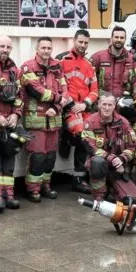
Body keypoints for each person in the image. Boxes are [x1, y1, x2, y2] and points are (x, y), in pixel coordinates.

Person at [20, 37, 69, 201]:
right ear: (37, 49)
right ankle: (33, 189)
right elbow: (36, 90)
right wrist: (57, 100)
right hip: (36, 121)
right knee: (38, 156)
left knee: (50, 157)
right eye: (43, 48)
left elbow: (65, 90)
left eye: (49, 48)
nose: (46, 51)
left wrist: (56, 107)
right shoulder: (28, 67)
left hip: (54, 120)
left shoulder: (57, 66)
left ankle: (46, 186)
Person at [57, 29, 98, 192]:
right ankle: (79, 178)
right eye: (80, 42)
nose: (83, 45)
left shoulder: (89, 65)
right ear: (74, 41)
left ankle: (80, 176)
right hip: (67, 107)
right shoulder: (61, 59)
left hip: (84, 108)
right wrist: (71, 104)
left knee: (91, 135)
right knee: (82, 135)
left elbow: (95, 90)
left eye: (86, 42)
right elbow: (57, 84)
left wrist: (86, 104)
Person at [0, 35, 23, 212]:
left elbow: (19, 96)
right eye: (2, 46)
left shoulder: (13, 69)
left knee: (9, 162)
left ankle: (9, 195)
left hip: (9, 123)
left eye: (8, 47)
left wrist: (16, 115)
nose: (5, 50)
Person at [81, 95, 136, 202]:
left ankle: (112, 187)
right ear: (98, 105)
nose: (107, 108)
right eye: (104, 104)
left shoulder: (124, 123)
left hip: (118, 165)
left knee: (129, 199)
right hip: (101, 163)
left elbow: (133, 147)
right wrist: (110, 158)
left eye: (110, 105)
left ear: (114, 106)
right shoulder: (90, 122)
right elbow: (91, 147)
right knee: (97, 162)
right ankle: (100, 194)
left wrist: (122, 158)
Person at [90, 26, 136, 111]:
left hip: (123, 104)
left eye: (122, 37)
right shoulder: (98, 57)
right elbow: (89, 80)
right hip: (102, 104)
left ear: (125, 39)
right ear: (111, 38)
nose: (119, 39)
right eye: (116, 37)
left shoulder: (132, 59)